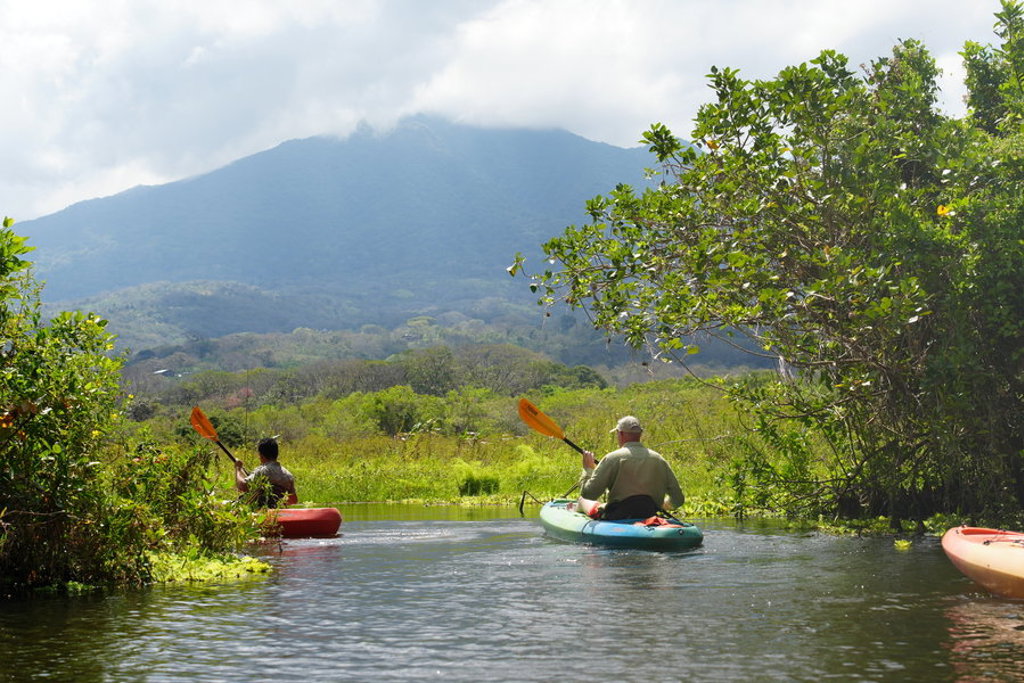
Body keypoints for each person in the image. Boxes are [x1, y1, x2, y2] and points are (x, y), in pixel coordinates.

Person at [578, 415, 685, 520]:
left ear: (620, 433)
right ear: (640, 434)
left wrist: (588, 469)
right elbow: (678, 499)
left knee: (582, 500)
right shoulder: (659, 459)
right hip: (650, 514)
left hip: (617, 516)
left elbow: (589, 494)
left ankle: (575, 507)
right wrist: (663, 505)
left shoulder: (611, 458)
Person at [234, 437, 298, 507]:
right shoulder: (288, 475)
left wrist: (238, 469)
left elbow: (242, 486)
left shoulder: (263, 471)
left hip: (256, 512)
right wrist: (279, 504)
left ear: (261, 455)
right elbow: (293, 500)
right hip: (275, 512)